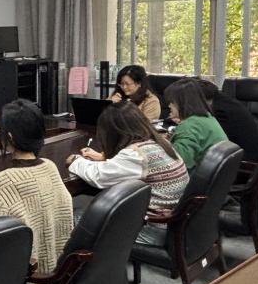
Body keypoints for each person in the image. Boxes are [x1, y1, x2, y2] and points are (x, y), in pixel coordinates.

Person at [0, 100, 72, 284]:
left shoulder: (0, 182)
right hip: (59, 273)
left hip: (25, 282)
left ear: (9, 136)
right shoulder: (50, 167)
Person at [66, 102, 189, 246]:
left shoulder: (135, 155)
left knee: (75, 216)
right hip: (174, 224)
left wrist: (76, 160)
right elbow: (116, 169)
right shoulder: (159, 144)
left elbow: (98, 176)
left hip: (153, 230)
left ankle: (82, 259)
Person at [165, 78, 228, 174]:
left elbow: (177, 165)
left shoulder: (189, 126)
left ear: (182, 102)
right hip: (213, 178)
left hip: (191, 179)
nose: (169, 105)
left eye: (172, 101)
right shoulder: (207, 118)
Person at [197, 78, 258, 163]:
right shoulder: (224, 101)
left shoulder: (219, 110)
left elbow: (214, 139)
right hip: (250, 152)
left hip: (245, 160)